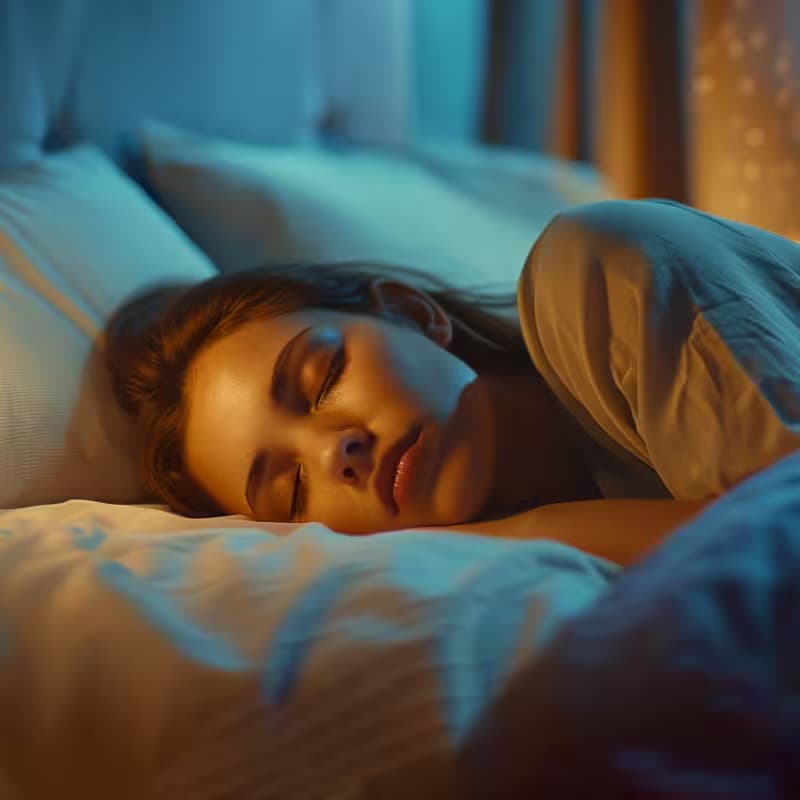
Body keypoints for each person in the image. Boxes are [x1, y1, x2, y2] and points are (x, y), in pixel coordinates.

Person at [104, 200, 800, 566]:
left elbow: (781, 546)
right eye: (291, 491)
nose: (336, 452)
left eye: (322, 379)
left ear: (412, 313)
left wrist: (537, 530)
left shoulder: (593, 270)